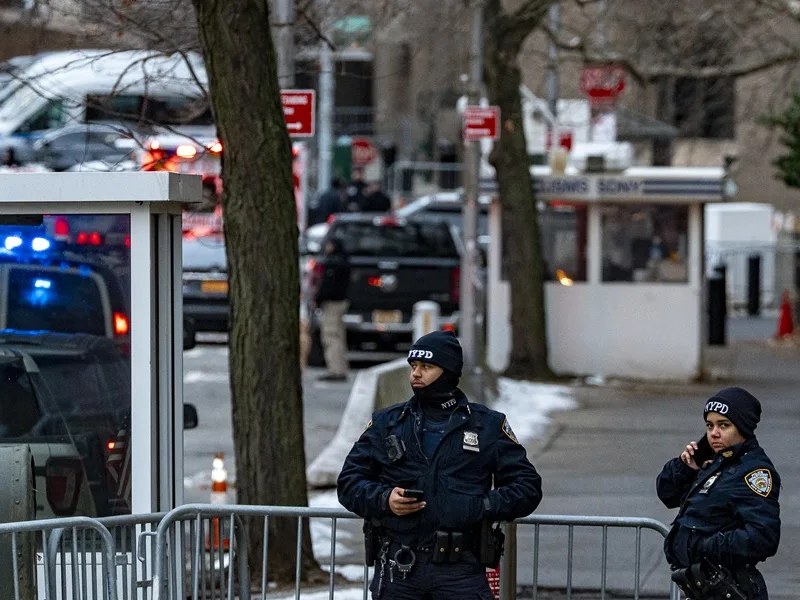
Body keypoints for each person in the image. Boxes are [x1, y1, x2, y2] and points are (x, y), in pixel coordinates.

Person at [337, 330, 542, 599]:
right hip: (399, 567)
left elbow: (527, 487)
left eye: (426, 367)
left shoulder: (487, 425)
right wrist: (385, 499)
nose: (416, 374)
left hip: (460, 570)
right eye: (413, 366)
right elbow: (349, 483)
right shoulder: (387, 422)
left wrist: (480, 506)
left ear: (449, 371)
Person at [656, 387, 781, 600]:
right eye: (709, 425)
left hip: (731, 588)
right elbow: (667, 493)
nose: (714, 433)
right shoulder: (716, 463)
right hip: (702, 588)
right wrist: (686, 466)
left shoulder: (754, 472)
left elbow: (763, 537)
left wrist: (704, 546)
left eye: (724, 425)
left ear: (743, 427)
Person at [313, 238, 351, 381]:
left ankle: (335, 369)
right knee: (339, 337)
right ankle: (341, 367)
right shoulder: (344, 262)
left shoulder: (331, 264)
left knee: (330, 336)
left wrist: (318, 299)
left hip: (331, 304)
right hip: (341, 302)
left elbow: (326, 286)